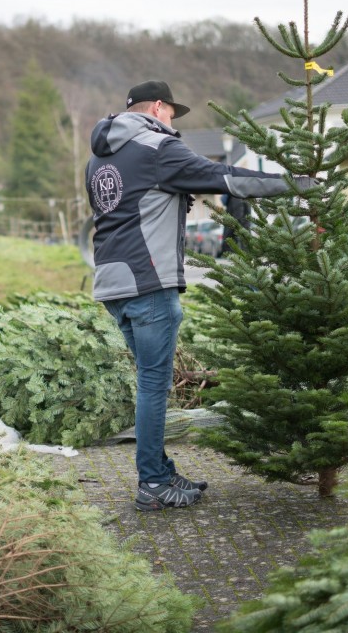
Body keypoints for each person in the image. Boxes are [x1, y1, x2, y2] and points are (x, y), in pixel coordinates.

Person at [86, 79, 314, 512]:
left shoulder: (98, 157)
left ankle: (160, 468)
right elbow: (226, 178)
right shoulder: (157, 148)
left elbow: (122, 209)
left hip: (112, 282)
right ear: (157, 107)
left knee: (149, 383)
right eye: (172, 112)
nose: (173, 122)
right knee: (154, 386)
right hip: (149, 283)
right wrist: (297, 185)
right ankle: (153, 483)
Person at [218, 192, 250, 257]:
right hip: (240, 229)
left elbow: (238, 215)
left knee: (242, 251)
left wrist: (234, 228)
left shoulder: (236, 196)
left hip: (237, 231)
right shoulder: (242, 195)